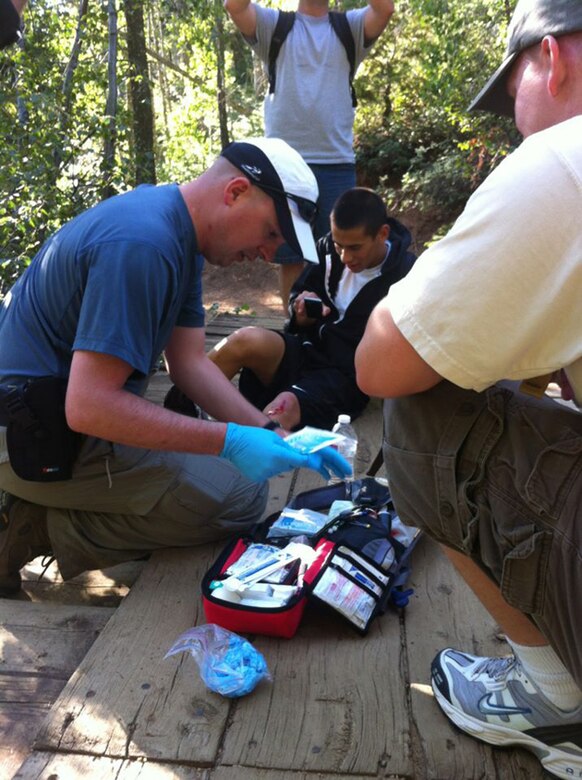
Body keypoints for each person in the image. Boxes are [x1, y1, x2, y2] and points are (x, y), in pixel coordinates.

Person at [355, 1, 582, 777]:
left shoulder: (562, 160)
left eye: (512, 90)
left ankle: (557, 703)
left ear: (553, 60)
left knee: (420, 413)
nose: (515, 124)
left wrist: (443, 274)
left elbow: (382, 365)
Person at [0, 136, 350, 598]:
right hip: (27, 439)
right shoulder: (144, 243)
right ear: (236, 191)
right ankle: (28, 524)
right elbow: (89, 407)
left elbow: (187, 364)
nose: (270, 254)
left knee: (233, 480)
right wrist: (229, 440)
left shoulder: (176, 233)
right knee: (238, 499)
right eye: (270, 232)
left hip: (53, 426)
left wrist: (269, 432)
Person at [224, 0, 395, 304]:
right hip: (285, 166)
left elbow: (384, 9)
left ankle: (339, 330)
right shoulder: (274, 26)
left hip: (336, 162)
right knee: (292, 256)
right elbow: (234, 6)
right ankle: (295, 334)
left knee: (344, 252)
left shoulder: (349, 28)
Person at [208, 187, 415, 432]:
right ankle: (180, 409)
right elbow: (300, 292)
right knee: (244, 340)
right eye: (340, 246)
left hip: (343, 377)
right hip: (305, 350)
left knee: (282, 408)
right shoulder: (328, 249)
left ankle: (240, 450)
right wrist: (300, 311)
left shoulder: (407, 275)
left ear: (382, 234)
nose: (345, 257)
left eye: (355, 248)